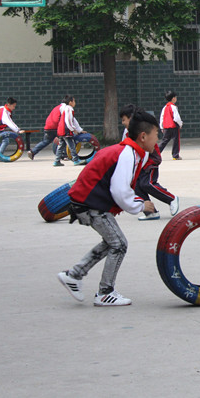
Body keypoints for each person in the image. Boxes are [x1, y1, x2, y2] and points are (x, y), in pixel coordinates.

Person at [58, 109, 159, 307]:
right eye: (157, 134)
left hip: (90, 202)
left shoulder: (133, 152)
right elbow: (120, 190)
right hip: (91, 203)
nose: (158, 139)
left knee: (111, 242)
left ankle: (74, 275)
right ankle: (105, 292)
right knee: (119, 244)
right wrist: (140, 205)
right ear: (143, 136)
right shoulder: (128, 154)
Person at [54, 96, 85, 167]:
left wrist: (80, 130)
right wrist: (73, 129)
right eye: (74, 101)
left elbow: (73, 120)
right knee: (71, 145)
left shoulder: (65, 109)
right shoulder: (69, 109)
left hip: (61, 129)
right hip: (66, 130)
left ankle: (56, 161)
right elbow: (69, 121)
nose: (75, 103)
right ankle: (76, 160)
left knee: (61, 146)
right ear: (70, 102)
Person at [158, 91, 183, 160]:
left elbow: (162, 117)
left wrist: (161, 127)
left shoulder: (165, 107)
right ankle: (175, 155)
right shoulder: (174, 107)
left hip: (166, 127)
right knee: (176, 141)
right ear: (173, 98)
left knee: (164, 141)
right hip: (174, 127)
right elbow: (177, 118)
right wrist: (180, 123)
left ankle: (156, 153)